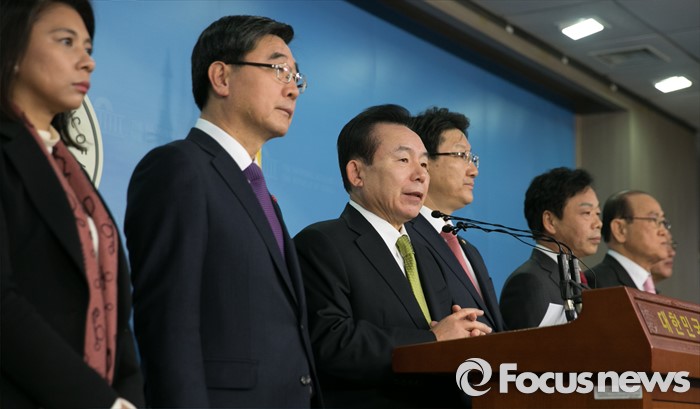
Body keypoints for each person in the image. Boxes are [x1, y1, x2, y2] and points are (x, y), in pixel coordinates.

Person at [124, 15, 318, 408]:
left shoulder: (257, 189)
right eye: (279, 70)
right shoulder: (179, 168)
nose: (292, 89)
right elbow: (168, 325)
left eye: (296, 77)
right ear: (222, 77)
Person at [294, 104, 492, 408]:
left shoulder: (428, 253)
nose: (420, 175)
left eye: (424, 164)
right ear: (357, 173)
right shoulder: (321, 244)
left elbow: (442, 332)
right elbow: (331, 342)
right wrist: (432, 341)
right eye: (403, 160)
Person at [0, 0, 144, 407]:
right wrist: (100, 402)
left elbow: (116, 319)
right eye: (66, 42)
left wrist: (127, 397)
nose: (88, 62)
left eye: (89, 48)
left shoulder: (69, 171)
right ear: (12, 49)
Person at [407, 107, 505, 332]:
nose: (473, 171)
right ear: (424, 162)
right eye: (462, 156)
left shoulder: (469, 250)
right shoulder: (405, 238)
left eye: (473, 159)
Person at [500, 167, 602, 330]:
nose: (598, 223)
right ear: (550, 221)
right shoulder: (528, 283)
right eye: (587, 212)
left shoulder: (583, 281)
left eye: (598, 213)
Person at [587, 190, 670, 294]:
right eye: (653, 219)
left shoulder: (651, 291)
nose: (664, 231)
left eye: (663, 222)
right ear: (620, 229)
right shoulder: (594, 284)